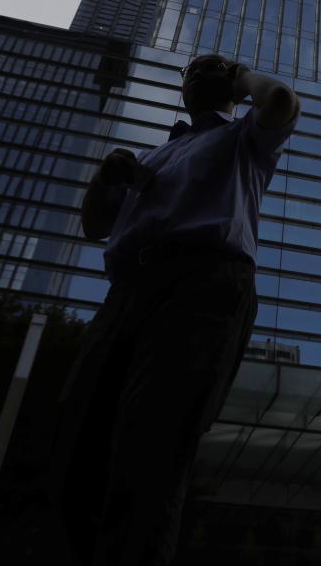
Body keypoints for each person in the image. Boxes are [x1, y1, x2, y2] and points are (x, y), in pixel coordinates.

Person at [51, 53, 300, 564]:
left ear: (233, 83)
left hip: (204, 284)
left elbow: (279, 101)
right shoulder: (154, 156)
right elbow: (95, 225)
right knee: (76, 439)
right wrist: (105, 178)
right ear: (182, 87)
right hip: (127, 290)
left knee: (153, 443)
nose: (204, 71)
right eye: (194, 68)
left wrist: (243, 77)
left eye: (217, 66)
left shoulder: (244, 139)